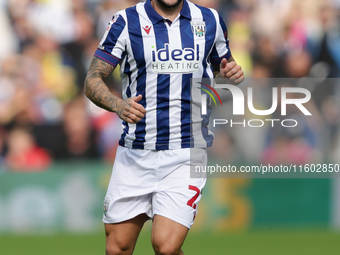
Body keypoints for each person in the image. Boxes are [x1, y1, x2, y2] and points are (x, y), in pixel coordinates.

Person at [84, 0, 244, 254]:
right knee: (117, 248)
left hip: (186, 151)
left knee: (166, 246)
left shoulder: (210, 20)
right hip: (136, 152)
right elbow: (92, 79)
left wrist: (229, 76)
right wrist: (118, 105)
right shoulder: (126, 21)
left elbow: (220, 73)